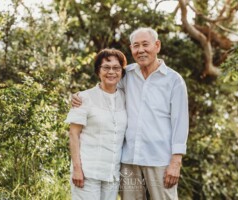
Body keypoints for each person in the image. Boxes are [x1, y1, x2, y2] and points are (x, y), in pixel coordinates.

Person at [72, 27, 189, 200]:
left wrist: (176, 161)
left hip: (159, 159)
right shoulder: (127, 74)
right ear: (131, 49)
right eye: (136, 46)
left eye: (145, 44)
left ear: (157, 45)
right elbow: (105, 89)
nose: (140, 50)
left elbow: (181, 122)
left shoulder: (174, 80)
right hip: (128, 159)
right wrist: (78, 97)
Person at [65, 48, 128, 200]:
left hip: (111, 174)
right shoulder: (84, 98)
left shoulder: (126, 97)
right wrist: (77, 169)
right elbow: (73, 134)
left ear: (121, 72)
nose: (111, 72)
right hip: (87, 173)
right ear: (98, 71)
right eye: (106, 67)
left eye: (116, 68)